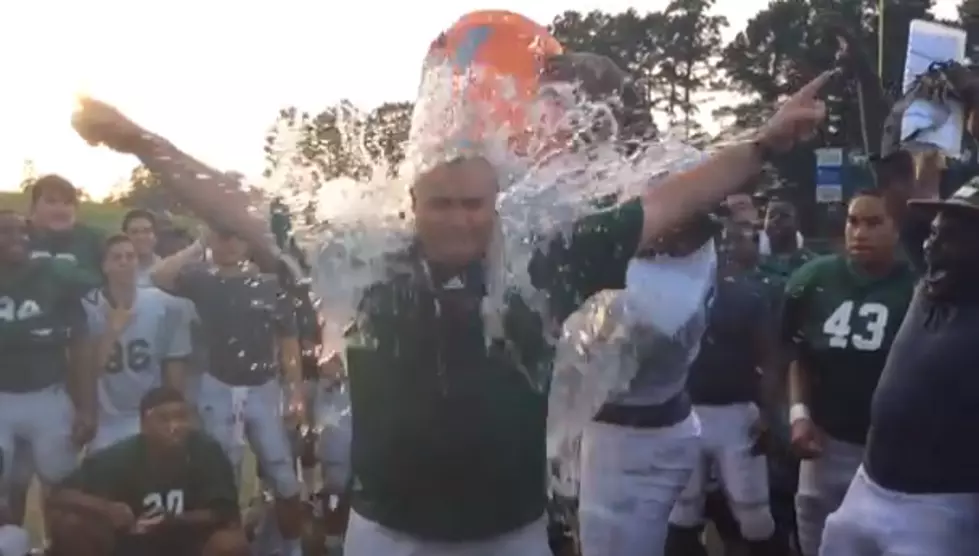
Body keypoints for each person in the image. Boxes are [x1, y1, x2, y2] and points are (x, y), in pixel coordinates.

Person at [69, 62, 832, 556]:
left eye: (474, 205)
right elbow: (234, 202)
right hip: (385, 531)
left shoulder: (545, 260)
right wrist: (140, 141)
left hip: (510, 533)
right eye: (441, 205)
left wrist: (763, 143)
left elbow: (669, 198)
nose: (459, 221)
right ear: (411, 203)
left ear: (496, 201)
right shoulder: (361, 260)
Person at [814, 147, 979, 552]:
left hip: (939, 511)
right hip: (866, 483)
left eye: (952, 238)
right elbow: (911, 218)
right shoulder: (933, 283)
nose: (931, 247)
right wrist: (920, 159)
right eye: (935, 233)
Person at [149, 227, 306, 556]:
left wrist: (296, 392)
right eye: (223, 236)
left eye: (235, 235)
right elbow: (159, 276)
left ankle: (292, 548)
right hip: (216, 385)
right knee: (224, 478)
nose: (230, 243)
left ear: (247, 241)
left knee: (283, 473)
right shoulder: (201, 278)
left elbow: (288, 341)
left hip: (263, 387)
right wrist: (200, 242)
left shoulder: (270, 284)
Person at [780, 188, 914, 556]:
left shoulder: (918, 287)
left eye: (873, 223)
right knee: (817, 536)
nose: (859, 232)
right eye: (853, 221)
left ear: (897, 229)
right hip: (827, 441)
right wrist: (799, 415)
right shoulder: (812, 279)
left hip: (892, 450)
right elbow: (798, 355)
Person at [577, 213, 717, 556]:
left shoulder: (666, 302)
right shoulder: (697, 259)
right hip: (655, 426)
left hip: (629, 441)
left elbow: (583, 353)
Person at [665, 221, 781, 556]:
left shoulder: (746, 295)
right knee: (682, 510)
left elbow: (770, 356)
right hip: (684, 411)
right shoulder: (670, 295)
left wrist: (768, 413)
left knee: (753, 512)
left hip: (735, 412)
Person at [48, 387, 248, 556]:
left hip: (189, 545)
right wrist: (106, 508)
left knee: (231, 543)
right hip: (130, 547)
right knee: (70, 526)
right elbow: (59, 494)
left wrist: (172, 521)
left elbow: (225, 513)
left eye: (181, 417)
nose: (174, 426)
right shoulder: (119, 456)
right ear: (144, 425)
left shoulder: (206, 450)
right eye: (164, 419)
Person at [0, 209, 97, 517]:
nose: (17, 238)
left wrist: (86, 406)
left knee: (63, 487)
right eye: (6, 231)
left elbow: (80, 344)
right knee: (8, 489)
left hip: (48, 394)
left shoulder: (53, 275)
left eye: (22, 230)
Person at [84, 234, 192, 452]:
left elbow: (174, 361)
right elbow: (86, 372)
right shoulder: (88, 306)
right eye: (117, 257)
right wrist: (112, 332)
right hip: (106, 417)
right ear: (104, 266)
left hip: (147, 412)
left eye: (130, 256)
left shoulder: (160, 303)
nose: (125, 262)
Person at [27, 174, 105, 283]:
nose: (60, 210)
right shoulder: (14, 237)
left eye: (67, 203)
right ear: (33, 206)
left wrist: (74, 274)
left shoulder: (94, 240)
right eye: (51, 202)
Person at [120, 209, 161, 286]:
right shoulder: (116, 271)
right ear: (125, 236)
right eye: (134, 232)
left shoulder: (166, 270)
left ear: (155, 235)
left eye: (147, 231)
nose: (141, 237)